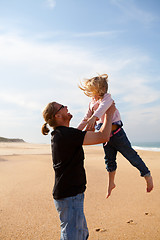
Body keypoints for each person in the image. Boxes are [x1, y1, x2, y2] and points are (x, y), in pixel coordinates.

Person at [41, 101, 116, 240]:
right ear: (58, 115)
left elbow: (88, 133)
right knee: (73, 236)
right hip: (70, 195)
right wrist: (109, 114)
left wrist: (94, 115)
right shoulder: (65, 135)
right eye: (63, 107)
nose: (67, 107)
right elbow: (103, 137)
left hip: (70, 194)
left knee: (81, 234)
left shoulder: (62, 134)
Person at [78, 74, 153, 198]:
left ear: (101, 90)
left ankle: (147, 175)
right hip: (105, 137)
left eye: (93, 91)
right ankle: (111, 183)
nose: (91, 94)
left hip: (118, 136)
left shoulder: (107, 98)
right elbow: (85, 119)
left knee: (131, 156)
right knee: (109, 161)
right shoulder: (92, 103)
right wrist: (75, 132)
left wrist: (95, 117)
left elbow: (102, 108)